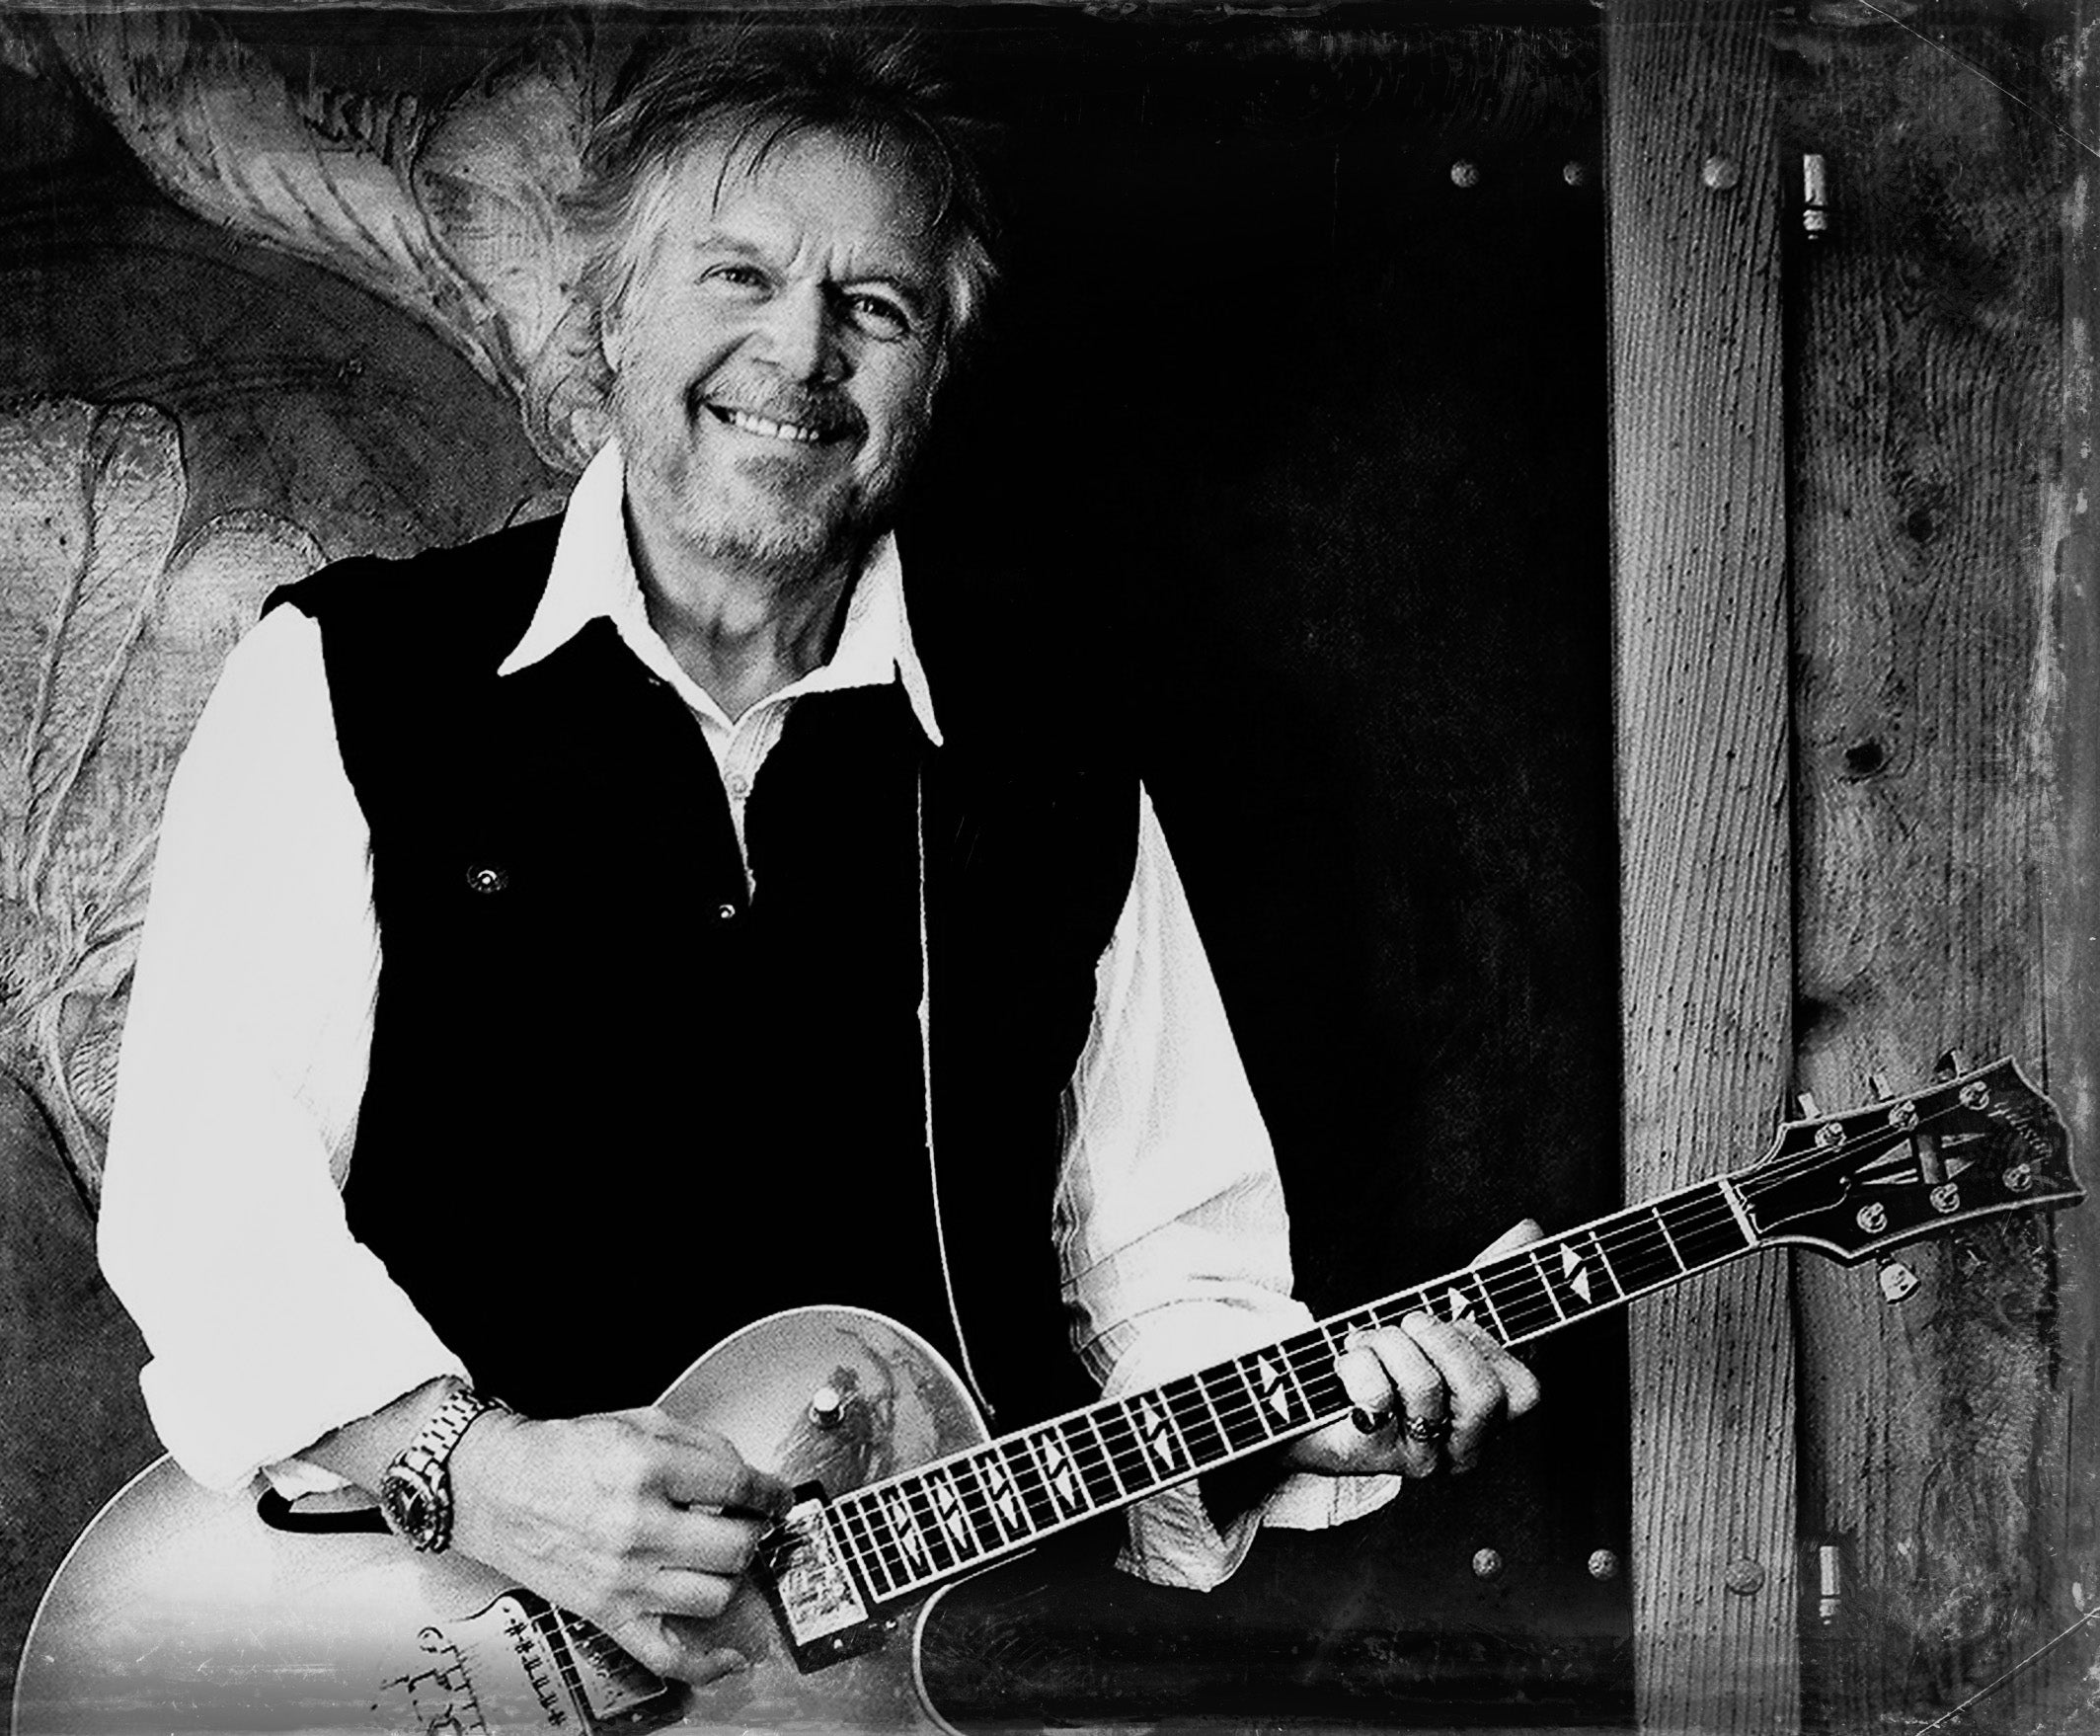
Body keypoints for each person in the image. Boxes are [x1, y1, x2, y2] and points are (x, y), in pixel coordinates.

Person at [99, 23, 1541, 1699]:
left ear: (936, 370)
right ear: (613, 316)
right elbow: (206, 1210)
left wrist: (1326, 1419)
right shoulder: (351, 673)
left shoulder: (1058, 767)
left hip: (917, 1685)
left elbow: (1177, 1282)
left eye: (876, 306)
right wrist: (479, 1472)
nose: (799, 354)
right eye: (737, 276)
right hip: (420, 1659)